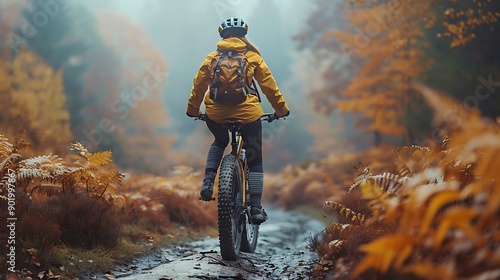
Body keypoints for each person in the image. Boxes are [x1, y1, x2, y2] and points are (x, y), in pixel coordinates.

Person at [186, 17, 290, 224]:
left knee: (219, 141)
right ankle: (256, 208)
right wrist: (281, 110)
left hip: (216, 115)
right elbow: (270, 87)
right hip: (248, 115)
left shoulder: (212, 58)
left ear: (222, 36)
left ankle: (208, 182)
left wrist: (193, 110)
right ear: (243, 36)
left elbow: (198, 85)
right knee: (255, 158)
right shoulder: (253, 57)